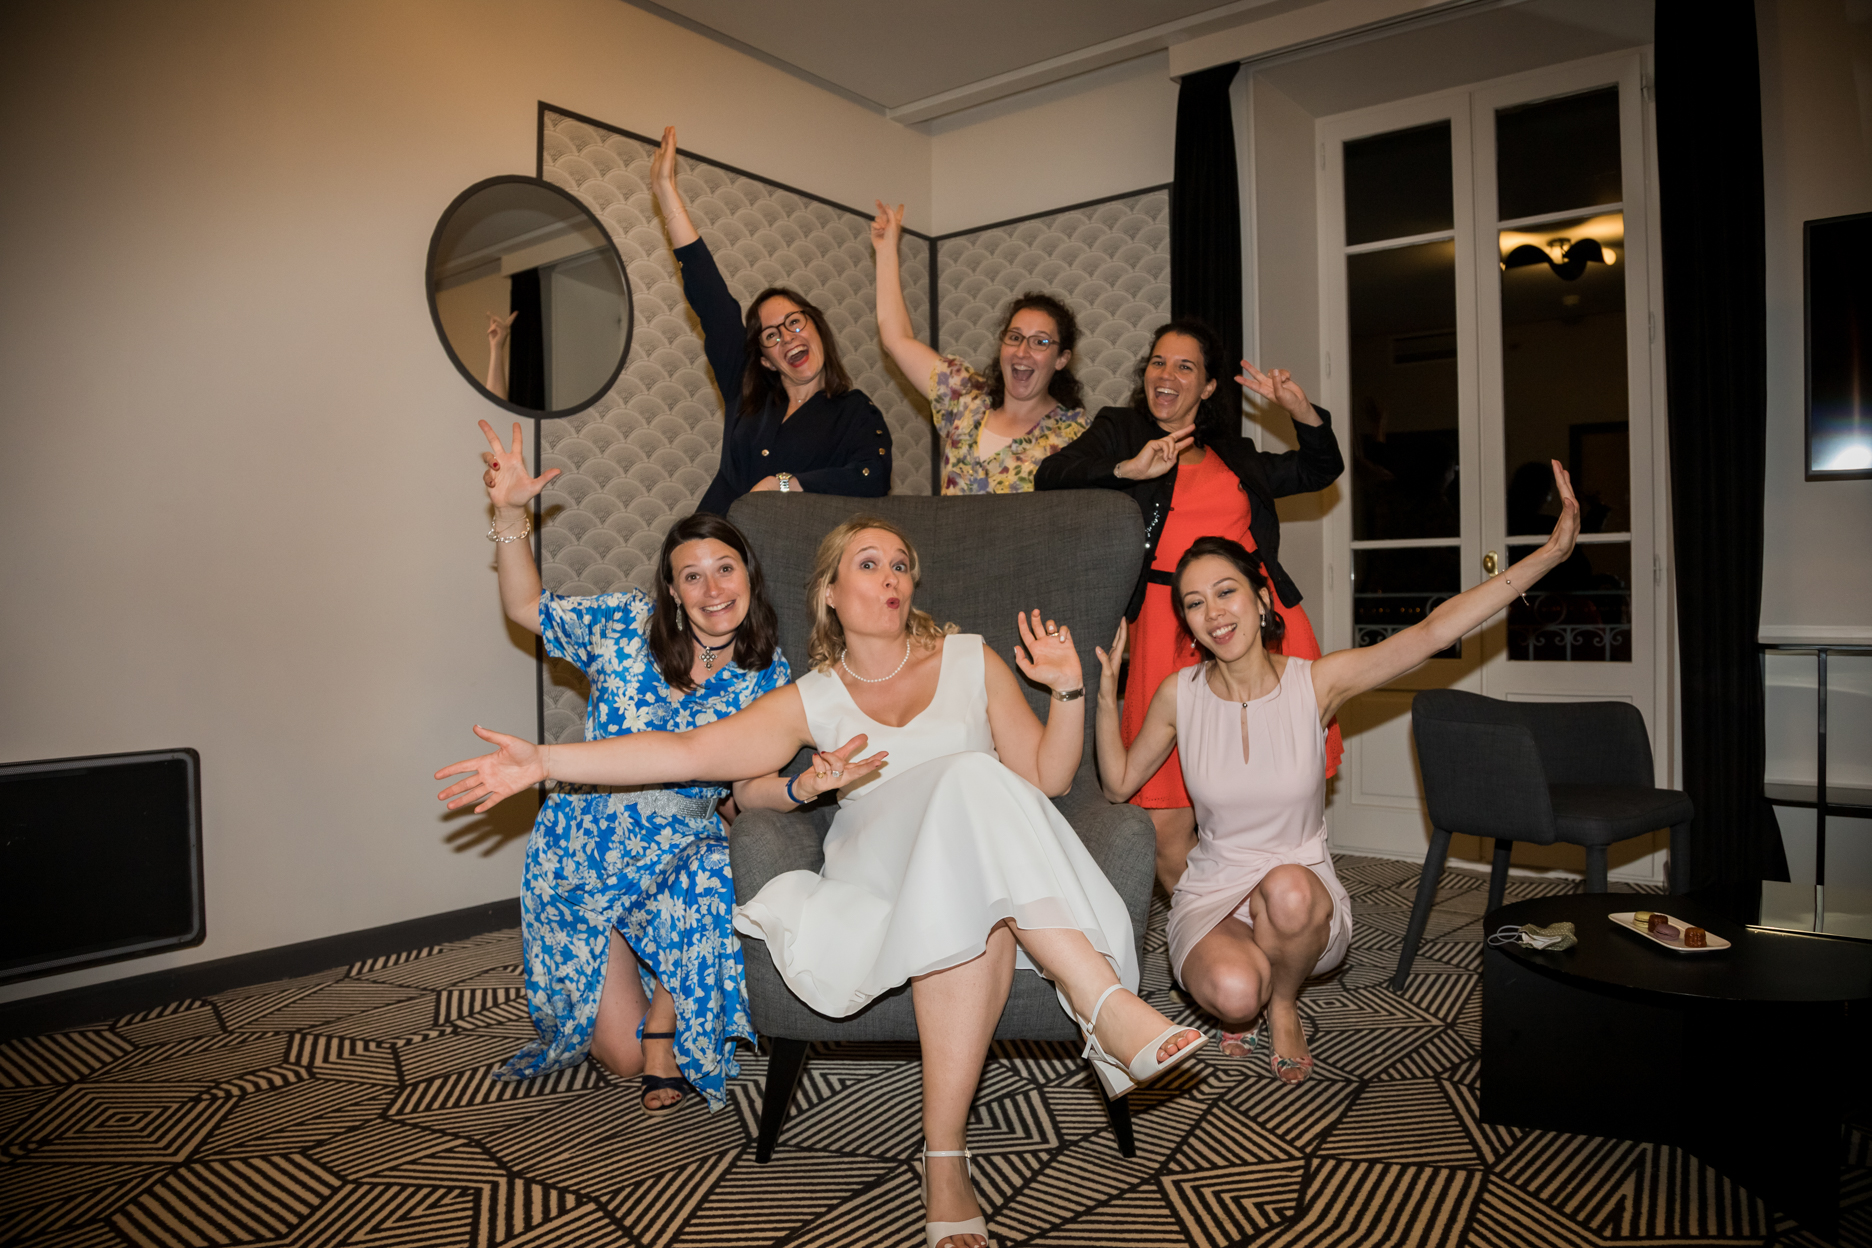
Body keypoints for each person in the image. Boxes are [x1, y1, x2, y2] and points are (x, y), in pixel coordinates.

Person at [438, 515, 1207, 1248]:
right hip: (873, 878)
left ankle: (946, 1159)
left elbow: (1044, 777)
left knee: (973, 865)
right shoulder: (811, 697)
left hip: (978, 875)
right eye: (868, 565)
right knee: (972, 777)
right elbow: (685, 751)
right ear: (831, 594)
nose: (891, 577)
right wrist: (546, 761)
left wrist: (1069, 689)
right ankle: (1101, 999)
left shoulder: (974, 658)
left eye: (901, 564)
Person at [1093, 461, 1581, 1083]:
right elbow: (1117, 784)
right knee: (1233, 995)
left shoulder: (1314, 684)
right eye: (1193, 603)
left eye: (1225, 591)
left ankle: (1286, 999)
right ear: (1186, 624)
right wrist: (1108, 695)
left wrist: (1547, 556)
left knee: (1290, 890)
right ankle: (1253, 991)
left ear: (1261, 598)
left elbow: (1433, 631)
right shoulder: (1177, 694)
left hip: (1301, 891)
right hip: (1215, 889)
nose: (1213, 612)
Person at [474, 420, 867, 1113]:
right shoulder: (624, 624)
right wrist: (510, 514)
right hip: (581, 848)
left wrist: (803, 785)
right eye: (692, 576)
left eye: (725, 569)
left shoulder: (767, 674)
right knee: (616, 1058)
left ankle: (666, 1007)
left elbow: (746, 788)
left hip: (679, 852)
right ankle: (628, 955)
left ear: (749, 575)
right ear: (672, 591)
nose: (713, 589)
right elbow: (523, 606)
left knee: (709, 885)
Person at [1036, 318, 1345, 899]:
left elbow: (1318, 469)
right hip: (1161, 622)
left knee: (1279, 784)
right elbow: (1050, 477)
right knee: (1161, 808)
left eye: (1185, 367)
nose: (1166, 375)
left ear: (1207, 387)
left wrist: (1301, 411)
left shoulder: (1234, 453)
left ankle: (1280, 912)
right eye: (1157, 362)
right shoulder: (1119, 430)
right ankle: (1210, 924)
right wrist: (1129, 470)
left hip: (1259, 622)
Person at [650, 127, 891, 514]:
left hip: (787, 557)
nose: (786, 337)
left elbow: (872, 476)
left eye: (795, 323)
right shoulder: (746, 392)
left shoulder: (854, 411)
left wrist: (786, 483)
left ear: (817, 328)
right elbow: (712, 302)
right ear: (764, 359)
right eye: (771, 335)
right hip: (716, 541)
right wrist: (667, 195)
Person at [870, 201, 1089, 493]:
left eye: (1040, 342)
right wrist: (886, 251)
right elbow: (897, 340)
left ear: (1061, 359)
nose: (1023, 351)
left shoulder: (1076, 433)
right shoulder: (964, 399)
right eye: (1014, 337)